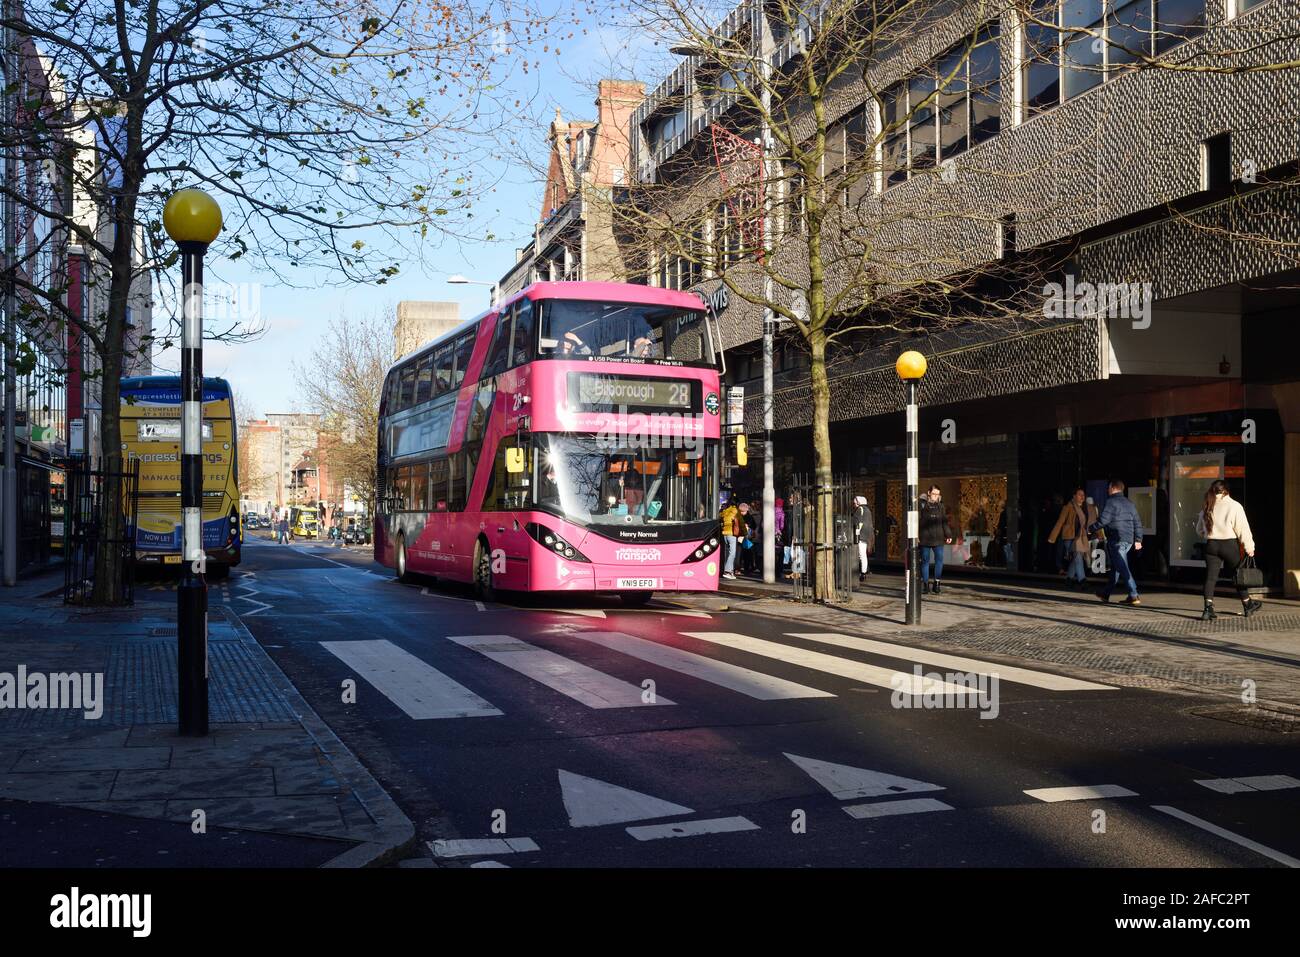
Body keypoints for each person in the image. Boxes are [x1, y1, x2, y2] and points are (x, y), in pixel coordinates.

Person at [1197, 479, 1262, 620]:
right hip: (1228, 545)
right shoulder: (1234, 506)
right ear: (1226, 490)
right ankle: (1247, 605)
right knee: (1238, 575)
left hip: (1211, 545)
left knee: (1210, 578)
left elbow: (1199, 530)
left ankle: (1207, 609)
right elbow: (1242, 528)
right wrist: (1249, 547)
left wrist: (1209, 534)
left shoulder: (1208, 504)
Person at [1090, 479, 1144, 605]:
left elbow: (1103, 521)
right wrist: (1138, 540)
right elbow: (1137, 522)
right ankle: (1106, 593)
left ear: (1114, 488)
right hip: (1128, 540)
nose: (1107, 490)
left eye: (1109, 488)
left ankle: (1134, 594)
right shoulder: (1130, 503)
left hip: (1117, 539)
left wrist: (1090, 529)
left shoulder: (1111, 502)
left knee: (1123, 567)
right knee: (1117, 567)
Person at [1047, 488, 1095, 589]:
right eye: (1079, 494)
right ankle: (1082, 579)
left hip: (1081, 536)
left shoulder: (1086, 508)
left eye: (1083, 495)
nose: (1082, 496)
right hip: (1069, 536)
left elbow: (1092, 521)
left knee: (1075, 558)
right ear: (1074, 496)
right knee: (1077, 555)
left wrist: (1099, 534)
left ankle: (1068, 579)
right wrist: (1053, 537)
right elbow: (1060, 522)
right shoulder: (1068, 507)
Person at [918, 485, 952, 594]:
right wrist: (916, 536)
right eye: (934, 494)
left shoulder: (941, 506)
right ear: (929, 493)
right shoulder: (922, 505)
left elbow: (944, 522)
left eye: (938, 494)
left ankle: (937, 583)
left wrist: (948, 535)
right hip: (925, 538)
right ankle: (926, 585)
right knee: (925, 562)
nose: (936, 496)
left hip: (938, 538)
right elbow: (917, 521)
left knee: (939, 561)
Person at [852, 495, 874, 583]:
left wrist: (856, 534)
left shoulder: (860, 509)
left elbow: (857, 522)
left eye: (854, 503)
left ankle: (861, 573)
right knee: (863, 555)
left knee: (860, 555)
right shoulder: (868, 511)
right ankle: (864, 572)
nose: (854, 504)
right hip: (866, 536)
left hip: (860, 535)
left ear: (858, 502)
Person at [720, 496, 740, 580]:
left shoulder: (725, 510)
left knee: (727, 553)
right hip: (731, 533)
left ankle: (730, 571)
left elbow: (720, 517)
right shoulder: (735, 510)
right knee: (732, 553)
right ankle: (727, 571)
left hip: (724, 534)